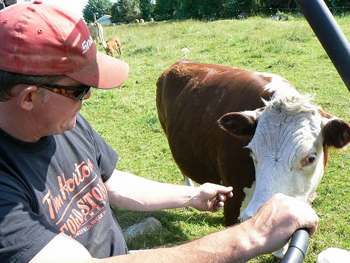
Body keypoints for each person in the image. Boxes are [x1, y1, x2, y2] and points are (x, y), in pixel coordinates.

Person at [0, 2, 318, 263]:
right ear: (29, 97)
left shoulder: (64, 122)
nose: (89, 98)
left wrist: (191, 195)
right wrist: (253, 235)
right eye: (80, 90)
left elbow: (109, 181)